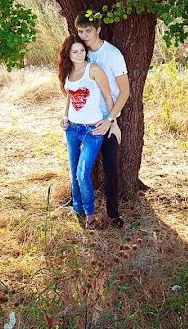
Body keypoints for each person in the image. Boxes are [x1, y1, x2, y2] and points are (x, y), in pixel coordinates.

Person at [75, 12, 129, 229]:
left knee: (110, 165)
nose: (85, 35)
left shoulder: (113, 55)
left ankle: (113, 213)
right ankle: (82, 209)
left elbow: (125, 92)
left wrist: (111, 119)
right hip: (86, 119)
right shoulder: (81, 53)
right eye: (81, 31)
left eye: (88, 30)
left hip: (108, 118)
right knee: (81, 167)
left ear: (98, 29)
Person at [57, 35, 116, 229]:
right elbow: (69, 96)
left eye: (82, 50)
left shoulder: (94, 70)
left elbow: (108, 97)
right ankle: (77, 209)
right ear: (68, 53)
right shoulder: (67, 72)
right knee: (74, 171)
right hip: (72, 129)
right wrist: (64, 116)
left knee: (83, 174)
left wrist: (111, 121)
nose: (79, 54)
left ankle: (90, 217)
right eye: (75, 51)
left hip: (93, 130)